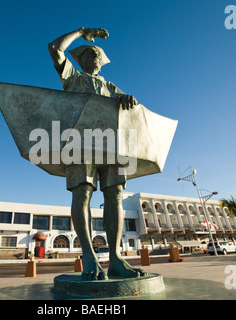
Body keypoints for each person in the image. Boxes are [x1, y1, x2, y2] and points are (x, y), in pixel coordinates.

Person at [48, 27, 146, 280]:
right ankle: (89, 257)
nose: (95, 58)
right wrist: (81, 32)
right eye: (90, 55)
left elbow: (129, 103)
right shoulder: (73, 78)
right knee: (82, 193)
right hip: (80, 142)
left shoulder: (109, 85)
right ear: (80, 60)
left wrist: (129, 99)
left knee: (115, 193)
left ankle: (116, 258)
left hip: (111, 143)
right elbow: (55, 48)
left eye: (97, 56)